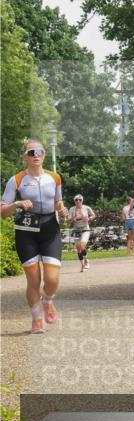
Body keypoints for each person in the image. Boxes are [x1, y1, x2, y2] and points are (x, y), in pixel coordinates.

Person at [0, 139, 69, 334]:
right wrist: (17, 204)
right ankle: (37, 318)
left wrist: (61, 208)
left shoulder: (55, 178)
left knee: (52, 278)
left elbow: (58, 201)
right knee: (33, 280)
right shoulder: (16, 180)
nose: (36, 155)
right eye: (31, 152)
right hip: (26, 231)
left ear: (44, 155)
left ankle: (47, 300)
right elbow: (2, 211)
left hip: (49, 230)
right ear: (25, 157)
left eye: (39, 151)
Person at [67, 194, 96, 271]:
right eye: (76, 200)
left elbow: (93, 215)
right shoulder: (72, 209)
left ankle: (86, 261)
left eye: (80, 200)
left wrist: (89, 218)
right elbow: (68, 220)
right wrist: (74, 218)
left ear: (82, 200)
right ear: (74, 201)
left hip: (85, 228)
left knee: (82, 245)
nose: (78, 201)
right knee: (78, 248)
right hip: (76, 229)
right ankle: (82, 265)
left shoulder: (86, 208)